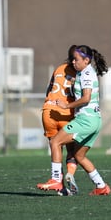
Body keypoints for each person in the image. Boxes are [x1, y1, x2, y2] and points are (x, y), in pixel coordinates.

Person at [37, 45, 111, 195]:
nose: (73, 62)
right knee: (79, 156)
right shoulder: (84, 72)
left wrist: (66, 105)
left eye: (76, 59)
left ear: (86, 60)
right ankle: (101, 186)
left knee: (55, 142)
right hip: (95, 120)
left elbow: (86, 98)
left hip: (85, 120)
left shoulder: (86, 74)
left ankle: (56, 180)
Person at [42, 45, 79, 195]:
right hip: (66, 113)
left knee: (55, 147)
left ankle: (59, 184)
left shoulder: (59, 68)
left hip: (48, 111)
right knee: (72, 150)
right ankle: (70, 173)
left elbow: (49, 90)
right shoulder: (81, 72)